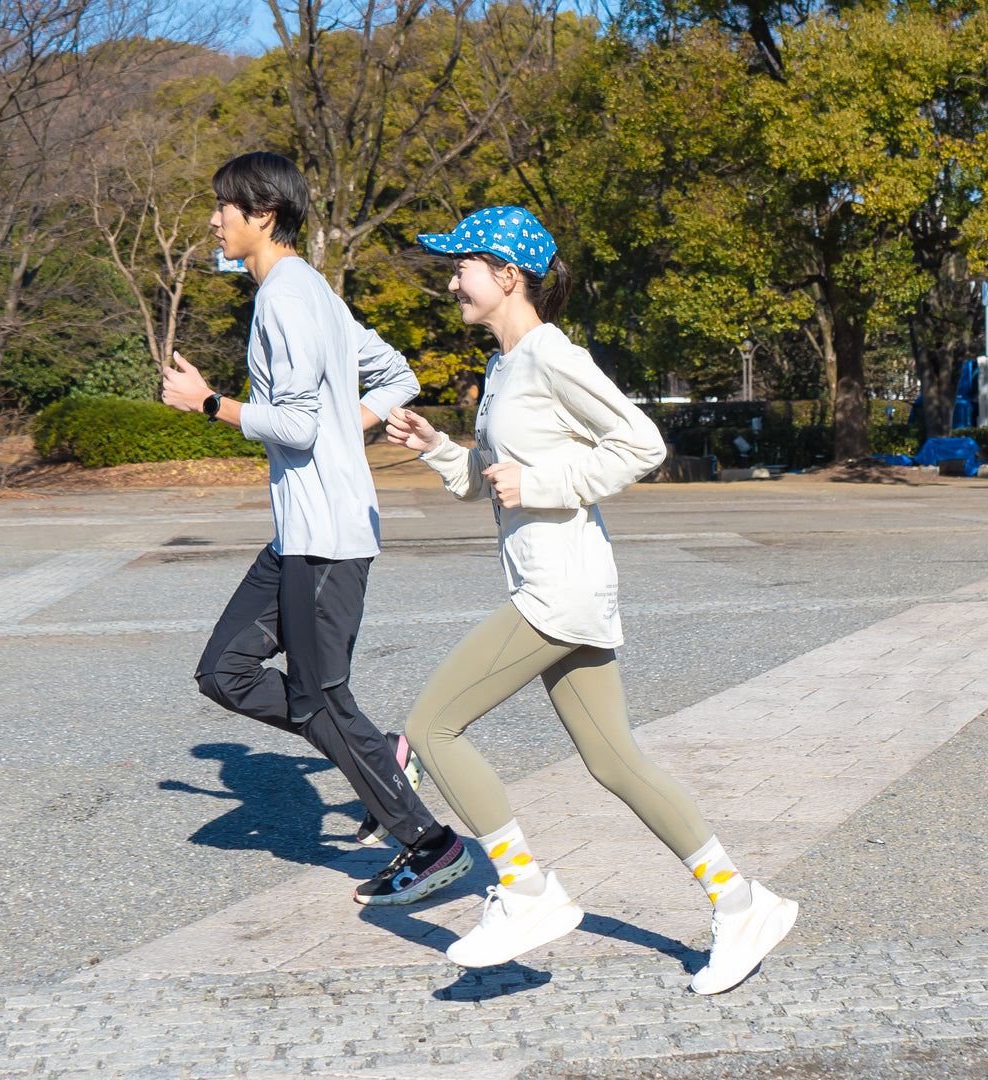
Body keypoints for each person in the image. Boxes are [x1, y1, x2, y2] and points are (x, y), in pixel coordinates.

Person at [382, 205, 798, 992]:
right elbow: (492, 482)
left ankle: (526, 892)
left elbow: (643, 444)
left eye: (461, 266)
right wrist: (438, 448)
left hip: (558, 589)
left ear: (508, 275)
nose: (451, 281)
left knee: (432, 728)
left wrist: (541, 483)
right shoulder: (505, 367)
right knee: (614, 759)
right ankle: (743, 902)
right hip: (552, 583)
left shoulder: (550, 355)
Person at [160, 151, 471, 906]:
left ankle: (430, 845)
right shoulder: (310, 292)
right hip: (297, 534)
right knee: (225, 671)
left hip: (327, 536)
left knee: (319, 699)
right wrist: (341, 429)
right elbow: (398, 375)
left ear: (262, 214)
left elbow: (298, 425)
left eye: (223, 207)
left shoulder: (289, 298)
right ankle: (380, 755)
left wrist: (210, 404)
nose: (214, 220)